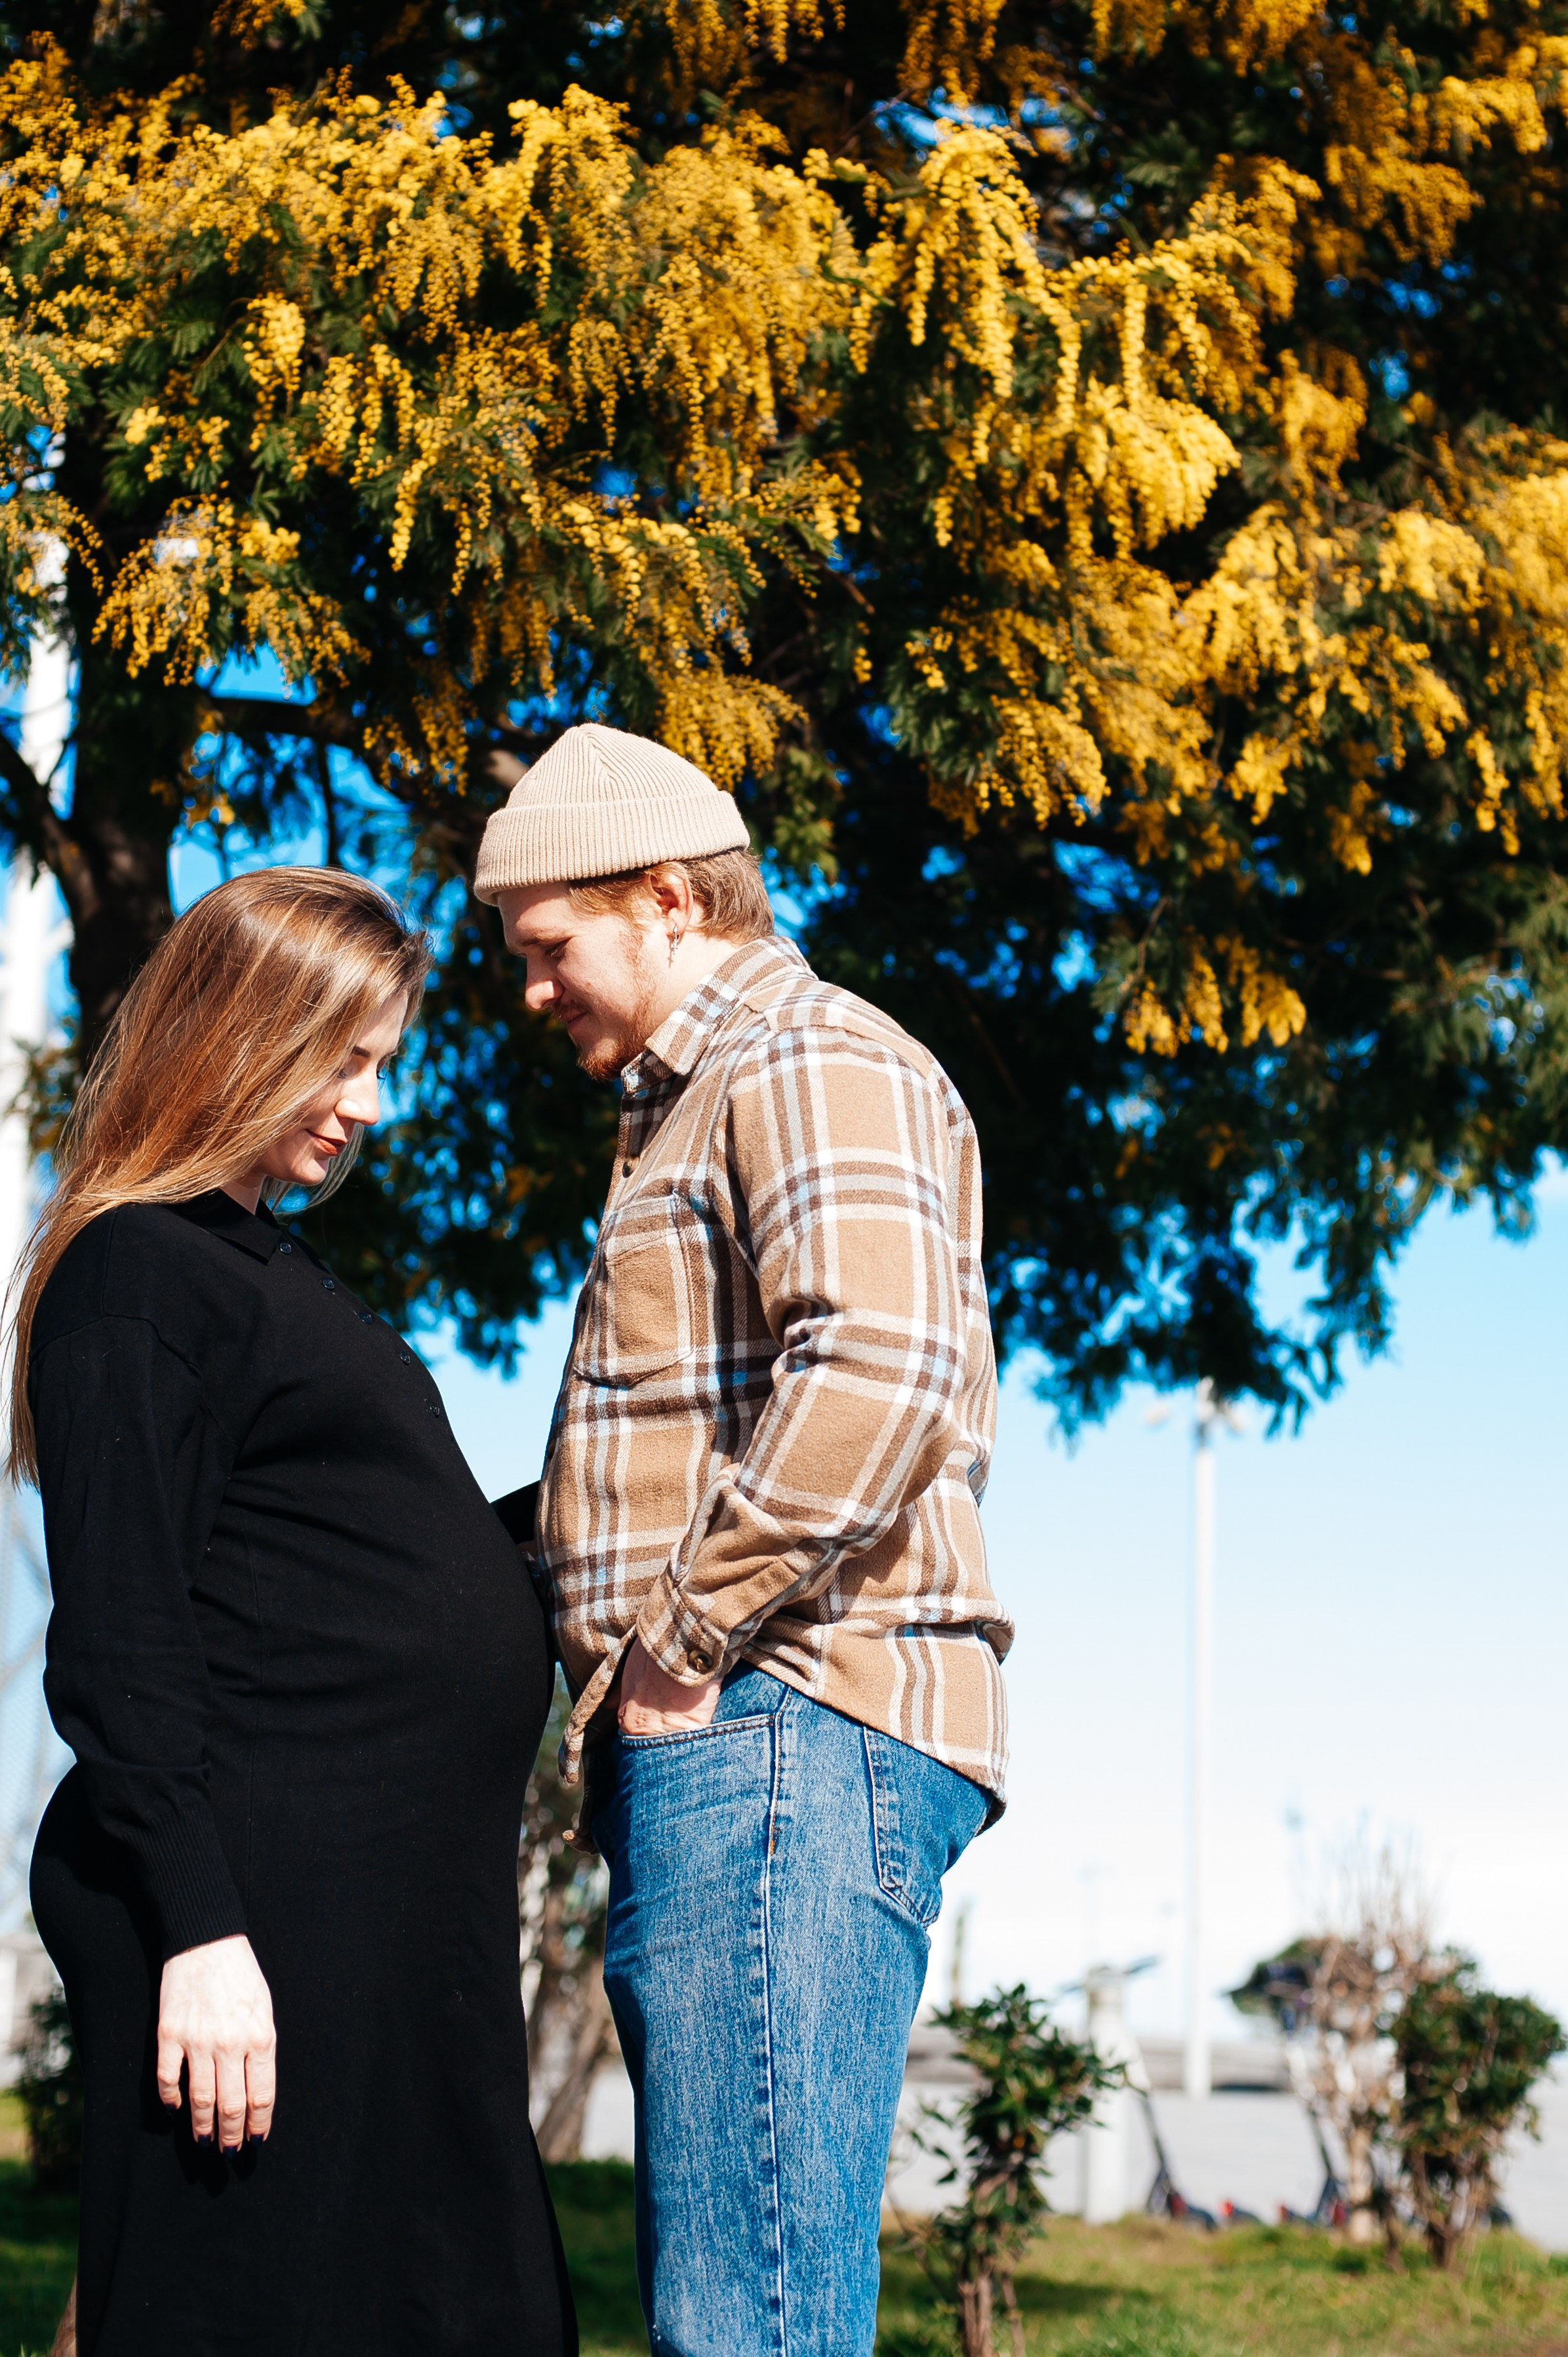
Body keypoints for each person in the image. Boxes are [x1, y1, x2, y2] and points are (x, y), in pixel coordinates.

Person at [474, 723, 1012, 2357]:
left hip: (781, 1709)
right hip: (751, 1729)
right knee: (735, 2299)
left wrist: (679, 1643)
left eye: (550, 949)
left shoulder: (796, 1059)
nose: (531, 990)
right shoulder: (690, 1100)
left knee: (745, 2318)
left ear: (665, 899)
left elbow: (882, 1363)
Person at [12, 870, 574, 2357]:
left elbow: (378, 1559)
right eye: (340, 1057)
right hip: (259, 1915)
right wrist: (201, 1935)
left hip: (384, 1911)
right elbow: (120, 1639)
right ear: (238, 1034)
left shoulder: (263, 1265)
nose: (365, 1104)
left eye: (378, 1061)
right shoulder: (138, 1273)